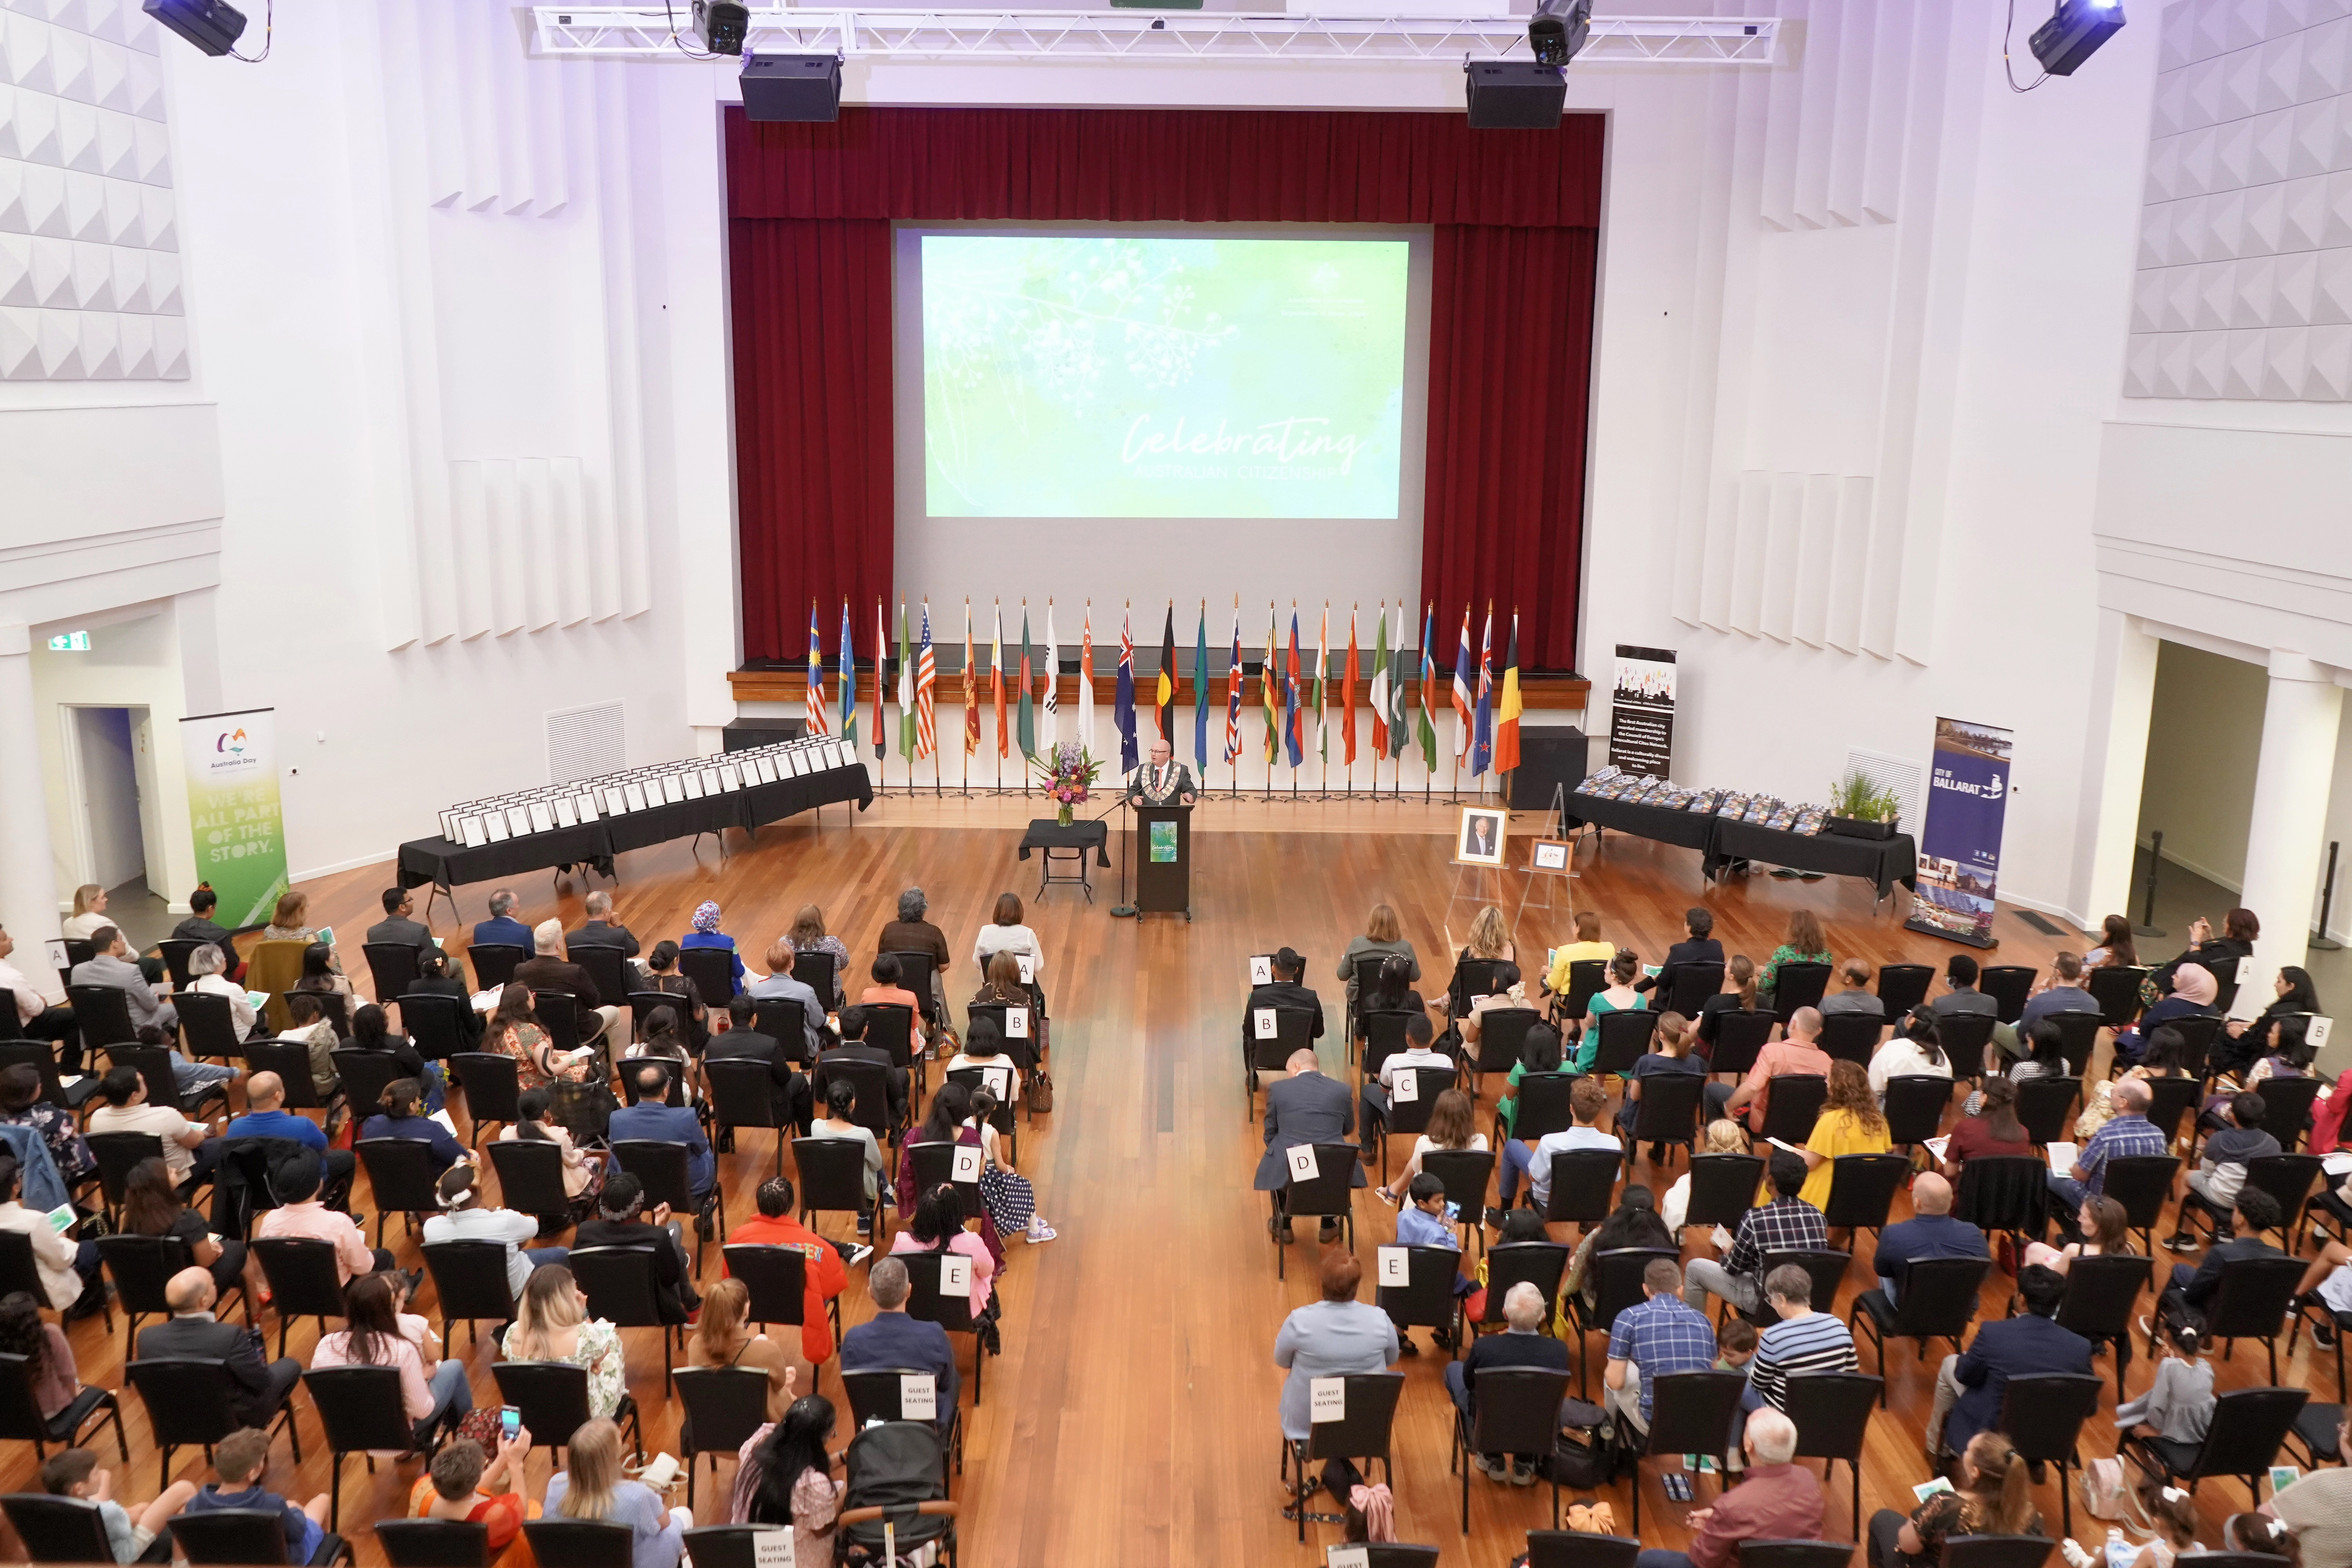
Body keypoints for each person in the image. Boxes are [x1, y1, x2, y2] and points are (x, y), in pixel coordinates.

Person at [1273, 1251, 1399, 1515]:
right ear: (1357, 1286)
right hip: (1367, 1429)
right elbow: (1392, 1358)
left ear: (1322, 1285)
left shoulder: (1300, 1321)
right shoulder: (1380, 1320)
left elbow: (1282, 1360)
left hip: (1309, 1431)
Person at [1924, 1263, 2092, 1459]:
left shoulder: (1994, 1334)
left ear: (2021, 1298)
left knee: (1950, 1364)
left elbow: (1964, 1375)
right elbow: (2088, 1406)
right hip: (2045, 1438)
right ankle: (2030, 1461)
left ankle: (1936, 1451)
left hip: (1993, 1432)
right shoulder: (2080, 1347)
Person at [1632, 1408, 1821, 1568]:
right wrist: (1720, 1520)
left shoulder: (1733, 1506)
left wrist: (1717, 1525)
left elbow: (1702, 1560)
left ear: (1749, 1445)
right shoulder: (1809, 1480)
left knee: (1648, 1560)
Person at [311, 1270, 472, 1444]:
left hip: (346, 1433)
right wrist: (423, 1378)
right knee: (454, 1368)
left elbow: (319, 1400)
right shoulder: (401, 1350)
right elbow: (422, 1410)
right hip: (397, 1435)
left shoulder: (326, 1345)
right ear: (389, 1311)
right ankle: (470, 1443)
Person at [138, 1267, 301, 1428]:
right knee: (290, 1366)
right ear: (204, 1301)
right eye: (213, 1284)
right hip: (232, 1422)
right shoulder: (229, 1336)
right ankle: (251, 1437)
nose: (216, 1286)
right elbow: (261, 1382)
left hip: (175, 1422)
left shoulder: (147, 1338)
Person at [1446, 1281, 1570, 1483]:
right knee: (1532, 1400)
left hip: (1488, 1424)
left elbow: (1469, 1385)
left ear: (1504, 1313)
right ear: (1543, 1317)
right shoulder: (1559, 1351)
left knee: (1453, 1369)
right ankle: (1525, 1461)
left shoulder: (1484, 1347)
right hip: (1537, 1428)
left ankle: (1492, 1457)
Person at [725, 1174, 854, 1365]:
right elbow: (830, 1288)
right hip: (798, 1311)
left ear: (759, 1204)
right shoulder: (820, 1247)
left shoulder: (738, 1239)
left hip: (752, 1306)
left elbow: (729, 1281)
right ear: (790, 1206)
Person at [1684, 1152, 1826, 1319]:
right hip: (1803, 1300)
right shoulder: (1818, 1216)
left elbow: (1733, 1269)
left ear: (1771, 1179)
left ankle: (1693, 1331)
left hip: (1766, 1302)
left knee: (1694, 1268)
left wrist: (1730, 1253)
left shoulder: (1755, 1219)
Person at [1867, 1430, 2038, 1568]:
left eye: (1968, 1450)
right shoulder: (2032, 1519)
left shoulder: (1944, 1506)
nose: (1965, 1452)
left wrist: (1923, 1518)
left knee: (1882, 1519)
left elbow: (1907, 1545)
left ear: (1975, 1472)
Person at [543, 1416, 689, 1568]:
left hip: (573, 1561)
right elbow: (665, 1522)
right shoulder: (637, 1495)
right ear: (613, 1459)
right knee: (683, 1516)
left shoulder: (555, 1485)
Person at [838, 1258, 958, 1433]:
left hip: (873, 1430)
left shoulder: (852, 1341)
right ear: (909, 1291)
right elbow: (946, 1383)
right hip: (924, 1435)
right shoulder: (934, 1335)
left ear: (871, 1293)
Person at [1603, 1256, 1717, 1439]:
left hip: (1655, 1424)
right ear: (1680, 1289)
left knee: (1614, 1372)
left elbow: (1615, 1382)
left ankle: (1611, 1434)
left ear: (1646, 1288)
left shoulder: (1629, 1317)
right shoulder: (1703, 1320)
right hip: (1699, 1421)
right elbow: (1712, 1370)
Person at [119, 1154, 256, 1305]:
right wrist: (215, 1251)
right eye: (169, 1171)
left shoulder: (130, 1226)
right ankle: (255, 1312)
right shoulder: (187, 1220)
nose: (174, 1169)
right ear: (161, 1187)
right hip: (188, 1289)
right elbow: (206, 1262)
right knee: (238, 1249)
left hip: (148, 1291)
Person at [182, 1426, 331, 1564]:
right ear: (252, 1473)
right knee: (322, 1500)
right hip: (282, 1563)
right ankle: (328, 1548)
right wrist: (295, 1511)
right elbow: (298, 1533)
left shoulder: (195, 1505)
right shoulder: (273, 1505)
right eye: (262, 1461)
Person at [1256, 1047, 1360, 1241]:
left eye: (1289, 1071)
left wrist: (1280, 1147)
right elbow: (1348, 1129)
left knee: (1279, 1154)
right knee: (1332, 1159)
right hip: (1333, 1169)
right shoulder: (1342, 1090)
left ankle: (1284, 1226)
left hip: (1293, 1168)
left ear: (1296, 1066)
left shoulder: (1279, 1089)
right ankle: (1328, 1226)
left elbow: (1270, 1132)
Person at [572, 1170, 700, 1324]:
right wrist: (661, 1229)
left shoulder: (585, 1232)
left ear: (603, 1206)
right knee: (677, 1240)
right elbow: (671, 1279)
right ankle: (693, 1306)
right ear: (638, 1207)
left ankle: (693, 1305)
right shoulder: (657, 1237)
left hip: (598, 1310)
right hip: (654, 1310)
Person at [502, 1264, 627, 1418]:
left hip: (536, 1416)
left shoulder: (512, 1334)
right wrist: (583, 1314)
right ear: (565, 1301)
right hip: (585, 1418)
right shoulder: (584, 1336)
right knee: (611, 1340)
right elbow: (602, 1355)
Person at [424, 1160, 565, 1294]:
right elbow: (533, 1227)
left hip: (464, 1297)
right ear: (477, 1194)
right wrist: (497, 1214)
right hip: (512, 1294)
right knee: (563, 1254)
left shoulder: (430, 1228)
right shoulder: (505, 1221)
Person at [2156, 1188, 2284, 1336]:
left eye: (2235, 1210)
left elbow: (2193, 1295)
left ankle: (2168, 1329)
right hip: (2253, 1321)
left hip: (2216, 1316)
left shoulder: (2221, 1253)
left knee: (2180, 1270)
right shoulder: (2279, 1256)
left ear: (2242, 1219)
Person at [38, 1445, 194, 1564]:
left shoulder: (44, 1509)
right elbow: (134, 1520)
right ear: (79, 1488)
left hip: (83, 1557)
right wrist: (142, 1509)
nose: (98, 1474)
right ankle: (181, 1564)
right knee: (184, 1489)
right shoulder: (107, 1513)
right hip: (121, 1557)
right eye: (95, 1473)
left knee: (107, 1476)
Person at [730, 1392, 844, 1555]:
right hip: (792, 1559)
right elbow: (823, 1527)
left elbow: (800, 1471)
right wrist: (848, 1489)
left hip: (747, 1553)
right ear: (821, 1440)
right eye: (833, 1433)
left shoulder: (757, 1445)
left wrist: (844, 1457)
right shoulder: (812, 1486)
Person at [256, 1149, 393, 1283]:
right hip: (338, 1295)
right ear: (319, 1184)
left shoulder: (270, 1221)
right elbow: (364, 1268)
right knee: (384, 1257)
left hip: (291, 1296)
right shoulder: (338, 1223)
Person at [2170, 1091, 2279, 1249]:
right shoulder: (2274, 1144)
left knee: (2187, 1176)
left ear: (2232, 1116)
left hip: (2224, 1196)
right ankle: (2227, 1231)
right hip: (2253, 1200)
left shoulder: (2219, 1140)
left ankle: (2186, 1235)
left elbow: (2207, 1172)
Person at [225, 1070, 356, 1201]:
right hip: (300, 1191)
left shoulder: (234, 1128)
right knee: (347, 1158)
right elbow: (324, 1150)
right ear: (278, 1096)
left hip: (258, 1193)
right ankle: (333, 1212)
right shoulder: (303, 1125)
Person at [1745, 1263, 1857, 1414]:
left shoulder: (1773, 1337)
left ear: (1781, 1299)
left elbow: (1758, 1385)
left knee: (1737, 1385)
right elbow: (1851, 1376)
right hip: (1829, 1411)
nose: (1771, 1304)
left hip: (1783, 1416)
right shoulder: (1839, 1326)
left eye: (1771, 1300)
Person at [1497, 1074, 1617, 1214]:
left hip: (1548, 1203)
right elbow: (1613, 1178)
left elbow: (1533, 1177)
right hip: (1591, 1204)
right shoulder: (1613, 1144)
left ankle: (1504, 1212)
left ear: (1571, 1108)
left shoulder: (1551, 1143)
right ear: (1599, 1110)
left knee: (1512, 1146)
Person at [0, 1155, 102, 1316]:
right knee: (93, 1248)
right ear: (16, 1186)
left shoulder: (33, 1221)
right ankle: (86, 1306)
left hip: (6, 1290)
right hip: (42, 1291)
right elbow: (62, 1261)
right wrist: (63, 1239)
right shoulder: (34, 1221)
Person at [2050, 1077, 2167, 1214]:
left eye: (2113, 1092)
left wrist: (2075, 1165)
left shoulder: (2106, 1135)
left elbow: (2079, 1175)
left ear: (2124, 1103)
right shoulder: (2159, 1136)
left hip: (2101, 1206)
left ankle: (2076, 1228)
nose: (2110, 1094)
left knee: (2046, 1176)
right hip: (2139, 1207)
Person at [1788, 1057, 1889, 1212]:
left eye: (1829, 1079)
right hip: (1861, 1195)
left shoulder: (1830, 1120)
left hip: (1828, 1194)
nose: (1826, 1083)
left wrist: (1795, 1153)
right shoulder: (1879, 1120)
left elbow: (1810, 1164)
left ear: (1838, 1087)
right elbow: (1885, 1152)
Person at [688, 1276, 798, 1417]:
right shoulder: (767, 1352)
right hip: (757, 1430)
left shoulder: (695, 1345)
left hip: (711, 1423)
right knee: (784, 1383)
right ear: (746, 1308)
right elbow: (779, 1383)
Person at [1871, 1172, 1987, 1302]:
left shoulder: (1892, 1234)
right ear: (1951, 1201)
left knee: (1888, 1262)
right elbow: (1982, 1275)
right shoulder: (1975, 1234)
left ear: (1917, 1202)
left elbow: (1882, 1270)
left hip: (1910, 1309)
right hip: (1959, 1310)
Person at [1713, 1005, 1832, 1132]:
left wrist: (1729, 1107)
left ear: (1793, 1025)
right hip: (1806, 1127)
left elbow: (1752, 1087)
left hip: (1764, 1123)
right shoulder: (1828, 1062)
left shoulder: (1772, 1052)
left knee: (1713, 1090)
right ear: (1819, 1031)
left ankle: (1719, 1144)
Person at [609, 1061, 714, 1204]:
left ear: (637, 1090)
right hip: (685, 1190)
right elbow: (701, 1148)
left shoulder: (617, 1119)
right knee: (706, 1152)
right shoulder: (686, 1117)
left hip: (634, 1190)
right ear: (666, 1090)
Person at [892, 1181, 998, 1320]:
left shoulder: (902, 1241)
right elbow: (988, 1270)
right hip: (962, 1314)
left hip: (916, 1311)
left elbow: (895, 1276)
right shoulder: (972, 1243)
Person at [407, 1433, 530, 1550]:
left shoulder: (422, 1486)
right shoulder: (492, 1516)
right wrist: (516, 1464)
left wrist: (503, 1458)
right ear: (476, 1480)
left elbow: (463, 1487)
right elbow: (520, 1513)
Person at [1568, 1185, 1676, 1312]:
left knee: (1575, 1261)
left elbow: (1579, 1267)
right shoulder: (1665, 1241)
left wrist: (1565, 1292)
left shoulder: (1600, 1235)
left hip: (1605, 1309)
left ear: (1621, 1207)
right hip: (1649, 1307)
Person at [2261, 1410, 2352, 1560]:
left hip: (2303, 1562)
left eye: (2344, 1430)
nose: (2339, 1430)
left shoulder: (2326, 1483)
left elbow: (2266, 1517)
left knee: (2236, 1525)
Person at [514, 919, 618, 1050]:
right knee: (615, 1012)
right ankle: (609, 1066)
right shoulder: (574, 971)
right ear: (559, 945)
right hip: (578, 1032)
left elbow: (519, 1004)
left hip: (538, 1032)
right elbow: (594, 1002)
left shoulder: (520, 970)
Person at [708, 993, 810, 1123]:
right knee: (800, 1079)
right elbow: (784, 1078)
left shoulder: (713, 1045)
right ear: (755, 1018)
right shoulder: (769, 1044)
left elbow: (713, 1078)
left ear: (730, 1016)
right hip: (768, 1112)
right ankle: (808, 1136)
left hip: (727, 1110)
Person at [1376, 1086, 1486, 1205]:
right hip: (1467, 1204)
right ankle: (1394, 1190)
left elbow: (1417, 1169)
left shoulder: (1425, 1143)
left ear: (1438, 1116)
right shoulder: (1482, 1141)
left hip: (1430, 1206)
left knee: (1418, 1170)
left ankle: (1394, 1190)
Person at [1360, 1011, 1450, 1154]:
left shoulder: (1393, 1061)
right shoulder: (1446, 1062)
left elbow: (1383, 1090)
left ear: (1408, 1038)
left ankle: (1367, 1150)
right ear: (1432, 1037)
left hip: (1397, 1120)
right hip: (1435, 1119)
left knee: (1367, 1091)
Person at [2116, 1316, 2214, 1446]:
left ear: (2169, 1341)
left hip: (2179, 1431)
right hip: (2204, 1429)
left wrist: (2157, 1430)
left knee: (2133, 1429)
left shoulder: (2169, 1366)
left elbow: (2157, 1403)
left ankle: (2154, 1467)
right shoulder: (2206, 1367)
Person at [0, 1289, 91, 1426]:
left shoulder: (4, 1347)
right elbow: (68, 1374)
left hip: (23, 1420)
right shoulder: (50, 1334)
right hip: (56, 1410)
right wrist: (73, 1395)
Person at [808, 1078, 886, 1236]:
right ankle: (865, 1214)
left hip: (822, 1190)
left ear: (828, 1104)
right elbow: (877, 1166)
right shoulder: (865, 1135)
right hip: (858, 1193)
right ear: (853, 1103)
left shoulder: (815, 1126)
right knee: (873, 1166)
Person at [499, 1087, 604, 1205]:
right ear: (546, 1113)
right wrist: (581, 1152)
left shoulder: (506, 1134)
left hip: (525, 1192)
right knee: (596, 1161)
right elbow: (573, 1162)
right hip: (561, 1193)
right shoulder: (558, 1135)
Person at [813, 1005, 911, 1131]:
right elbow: (896, 1093)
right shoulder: (882, 1057)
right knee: (903, 1074)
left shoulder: (826, 1057)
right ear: (866, 1029)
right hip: (878, 1116)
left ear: (841, 1030)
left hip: (841, 1115)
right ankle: (895, 1127)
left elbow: (821, 1096)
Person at [68, 924, 177, 1036]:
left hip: (95, 1031)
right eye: (121, 939)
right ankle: (164, 1048)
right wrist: (155, 997)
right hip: (133, 1030)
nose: (124, 943)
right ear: (114, 944)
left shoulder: (77, 971)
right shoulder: (130, 971)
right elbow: (152, 1005)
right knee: (174, 1009)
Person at [1989, 951, 2098, 1062]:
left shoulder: (2040, 1001)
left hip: (2039, 1057)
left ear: (2058, 972)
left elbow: (2021, 1034)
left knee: (1995, 1027)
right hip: (2074, 1059)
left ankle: (2013, 1069)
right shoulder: (2094, 1003)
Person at [2220, 965, 2325, 1078]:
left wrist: (2240, 1035)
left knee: (2223, 1033)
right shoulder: (2316, 1015)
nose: (2275, 985)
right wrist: (2251, 1026)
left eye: (2279, 982)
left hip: (2264, 1063)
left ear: (2291, 986)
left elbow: (2256, 1043)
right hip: (2298, 1067)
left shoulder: (2277, 1012)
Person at [486, 983, 592, 1092]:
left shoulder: (497, 1028)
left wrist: (554, 1053)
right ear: (524, 1004)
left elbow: (524, 1056)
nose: (533, 997)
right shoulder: (529, 1032)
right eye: (531, 995)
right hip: (538, 1088)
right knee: (593, 1073)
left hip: (511, 1086)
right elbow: (549, 1071)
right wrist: (570, 1061)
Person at [0, 1063, 93, 1185]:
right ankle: (86, 1201)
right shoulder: (47, 1114)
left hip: (18, 1176)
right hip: (54, 1174)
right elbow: (73, 1124)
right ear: (29, 1093)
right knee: (90, 1143)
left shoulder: (4, 1120)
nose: (40, 1084)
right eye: (37, 1084)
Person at [349, 1002, 443, 1112]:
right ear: (383, 1024)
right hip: (397, 1096)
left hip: (362, 1097)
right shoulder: (397, 1044)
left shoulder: (346, 1045)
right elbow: (418, 1067)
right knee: (434, 1071)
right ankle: (428, 1114)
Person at [359, 1077, 467, 1171]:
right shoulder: (432, 1129)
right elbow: (461, 1158)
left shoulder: (370, 1125)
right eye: (418, 1098)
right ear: (411, 1105)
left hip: (388, 1188)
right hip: (431, 1188)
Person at [1241, 946, 1325, 1067]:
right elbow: (1318, 1032)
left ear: (1273, 969)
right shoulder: (1310, 998)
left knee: (1247, 1034)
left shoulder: (1258, 997)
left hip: (1264, 1057)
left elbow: (1249, 1030)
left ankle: (1252, 1074)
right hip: (1299, 1058)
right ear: (1297, 970)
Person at [877, 886, 952, 1020]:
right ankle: (932, 1024)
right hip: (926, 992)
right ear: (923, 910)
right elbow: (944, 966)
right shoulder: (934, 932)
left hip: (896, 985)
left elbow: (882, 959)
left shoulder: (888, 929)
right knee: (934, 975)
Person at [1663, 1120, 1751, 1231]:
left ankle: (1675, 1236)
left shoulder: (1699, 1170)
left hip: (1699, 1214)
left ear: (1709, 1140)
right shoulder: (1749, 1169)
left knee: (1672, 1195)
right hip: (1734, 1213)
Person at [2154, 907, 2259, 999]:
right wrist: (2209, 937)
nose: (2224, 923)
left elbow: (2195, 967)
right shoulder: (2246, 949)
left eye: (2226, 922)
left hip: (2178, 982)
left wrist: (2196, 941)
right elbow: (2216, 959)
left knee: (2147, 973)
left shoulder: (2224, 949)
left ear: (2233, 927)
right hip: (2218, 994)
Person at [0, 924, 75, 1051]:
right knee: (77, 1016)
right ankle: (70, 1068)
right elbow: (36, 1010)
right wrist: (41, 1001)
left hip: (5, 1032)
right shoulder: (11, 977)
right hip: (23, 1029)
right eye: (5, 939)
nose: (11, 939)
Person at [1942, 1074, 2033, 1179]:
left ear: (1985, 1098)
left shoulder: (1965, 1128)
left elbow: (1950, 1172)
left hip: (1972, 1191)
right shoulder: (2023, 1133)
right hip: (2010, 1192)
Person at [746, 939, 826, 1057]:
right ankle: (807, 1072)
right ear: (791, 963)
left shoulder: (754, 991)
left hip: (765, 1047)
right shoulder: (806, 991)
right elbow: (818, 1021)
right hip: (800, 1047)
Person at [1573, 949, 1648, 1074]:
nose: (1604, 971)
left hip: (1600, 1057)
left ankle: (1598, 1088)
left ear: (1613, 975)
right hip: (1629, 1055)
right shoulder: (1641, 1000)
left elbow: (1590, 1024)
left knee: (1595, 1031)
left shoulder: (1598, 999)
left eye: (1607, 968)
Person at [1338, 904, 1420, 1015]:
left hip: (1361, 1005)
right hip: (1397, 1005)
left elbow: (1342, 975)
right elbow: (1415, 976)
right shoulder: (1406, 948)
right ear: (1394, 924)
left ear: (1371, 923)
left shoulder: (1357, 945)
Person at [2025, 1193, 2133, 1276]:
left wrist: (2046, 1264)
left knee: (2033, 1254)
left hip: (2068, 1299)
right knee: (2035, 1248)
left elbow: (2055, 1276)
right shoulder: (2131, 1249)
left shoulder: (2074, 1251)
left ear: (2098, 1227)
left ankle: (2022, 1302)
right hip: (2104, 1301)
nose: (2079, 1219)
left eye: (2084, 1217)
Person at [1493, 1021, 1566, 1141]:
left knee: (1504, 1101)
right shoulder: (1570, 1068)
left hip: (1527, 1124)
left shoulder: (1520, 1070)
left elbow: (1509, 1096)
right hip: (1560, 1123)